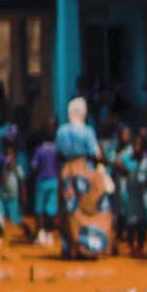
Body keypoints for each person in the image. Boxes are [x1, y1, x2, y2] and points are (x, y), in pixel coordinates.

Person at [55, 96, 101, 259]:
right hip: (85, 171)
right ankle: (86, 246)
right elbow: (95, 154)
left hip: (67, 171)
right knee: (86, 209)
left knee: (67, 209)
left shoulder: (62, 131)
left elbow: (58, 153)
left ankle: (68, 247)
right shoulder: (88, 131)